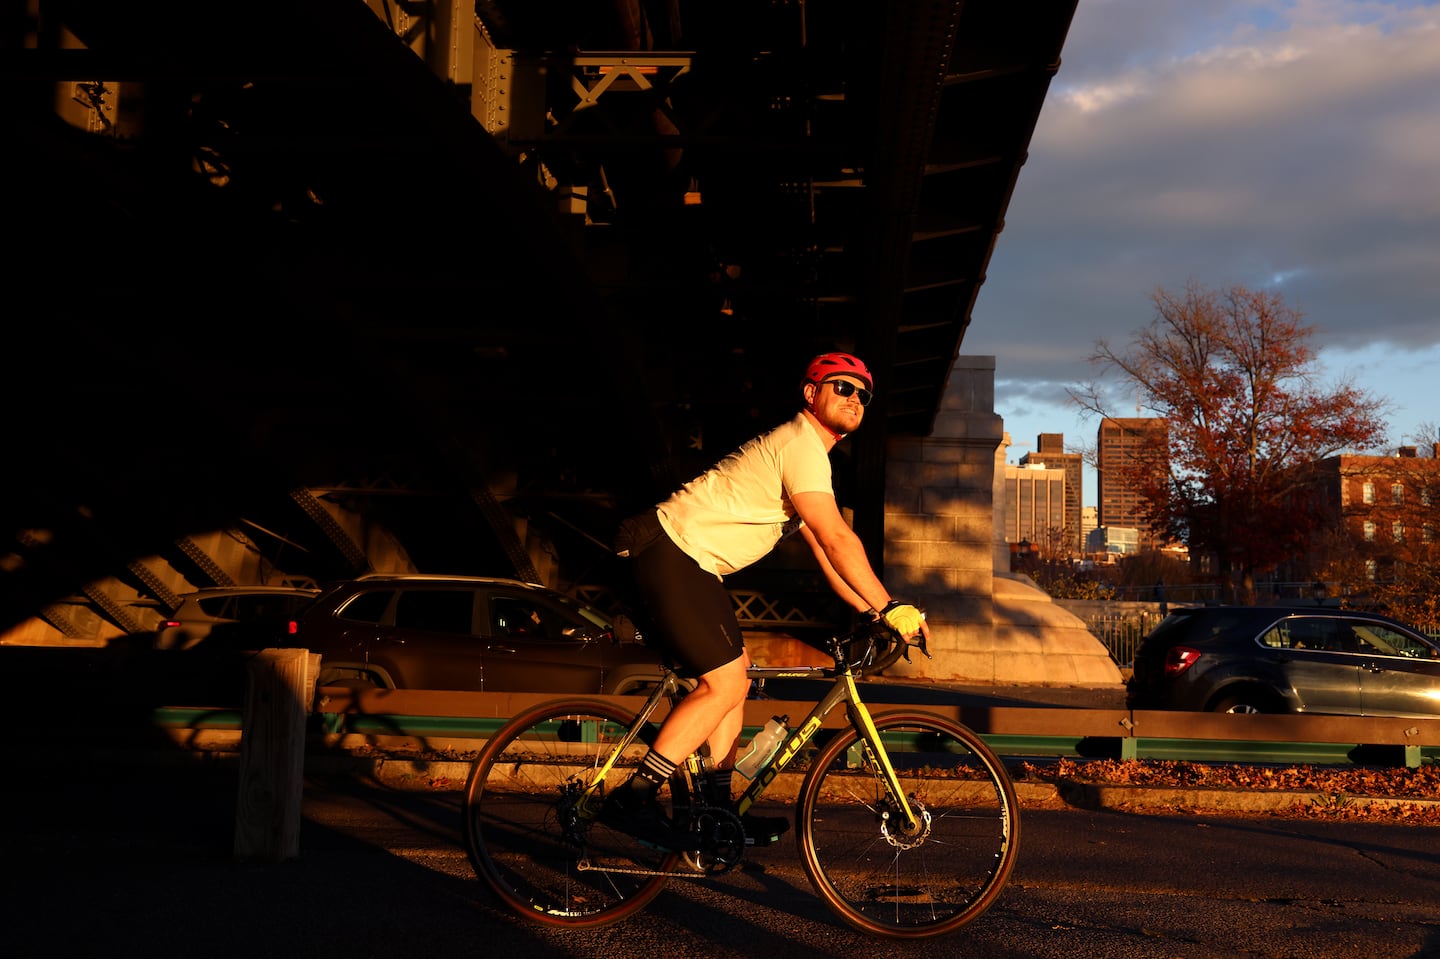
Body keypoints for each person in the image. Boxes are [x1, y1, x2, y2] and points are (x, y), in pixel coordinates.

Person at [604, 351, 930, 851]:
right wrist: (892, 608)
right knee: (725, 681)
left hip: (691, 562)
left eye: (864, 394)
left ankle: (714, 814)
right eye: (843, 387)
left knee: (738, 674)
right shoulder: (800, 443)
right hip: (673, 550)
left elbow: (827, 554)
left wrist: (873, 614)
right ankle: (633, 797)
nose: (856, 398)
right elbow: (840, 537)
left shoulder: (808, 459)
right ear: (810, 394)